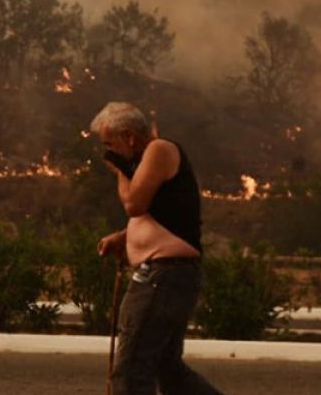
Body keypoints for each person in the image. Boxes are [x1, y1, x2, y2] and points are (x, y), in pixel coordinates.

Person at [92, 102, 223, 395]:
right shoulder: (149, 160)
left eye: (110, 145)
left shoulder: (159, 150)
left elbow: (134, 204)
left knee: (130, 372)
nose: (108, 152)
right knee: (168, 369)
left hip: (163, 277)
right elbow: (168, 216)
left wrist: (119, 170)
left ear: (128, 136)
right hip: (168, 276)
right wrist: (125, 237)